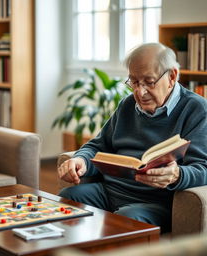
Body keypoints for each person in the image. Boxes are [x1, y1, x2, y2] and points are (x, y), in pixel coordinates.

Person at [58, 43, 207, 233]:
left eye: (149, 82)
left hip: (155, 203)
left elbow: (203, 168)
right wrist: (81, 159)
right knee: (68, 198)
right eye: (134, 82)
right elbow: (98, 145)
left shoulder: (197, 110)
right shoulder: (127, 105)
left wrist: (177, 175)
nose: (140, 92)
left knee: (127, 220)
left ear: (172, 76)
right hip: (110, 192)